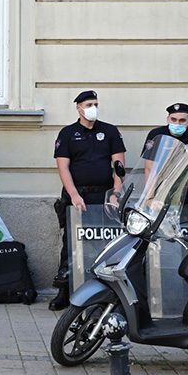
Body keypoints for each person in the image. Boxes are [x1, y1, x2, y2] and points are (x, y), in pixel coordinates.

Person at [51, 90, 126, 311]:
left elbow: (119, 165)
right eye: (88, 104)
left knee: (103, 242)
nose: (93, 108)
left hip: (104, 196)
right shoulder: (68, 133)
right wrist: (74, 195)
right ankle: (65, 291)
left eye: (95, 104)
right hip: (77, 196)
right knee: (71, 244)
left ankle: (105, 293)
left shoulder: (109, 131)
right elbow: (63, 167)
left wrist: (115, 193)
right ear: (79, 108)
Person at [142, 103, 188, 213]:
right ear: (167, 119)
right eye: (173, 119)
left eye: (182, 120)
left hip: (187, 191)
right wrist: (150, 198)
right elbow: (150, 169)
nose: (177, 123)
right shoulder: (156, 135)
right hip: (160, 192)